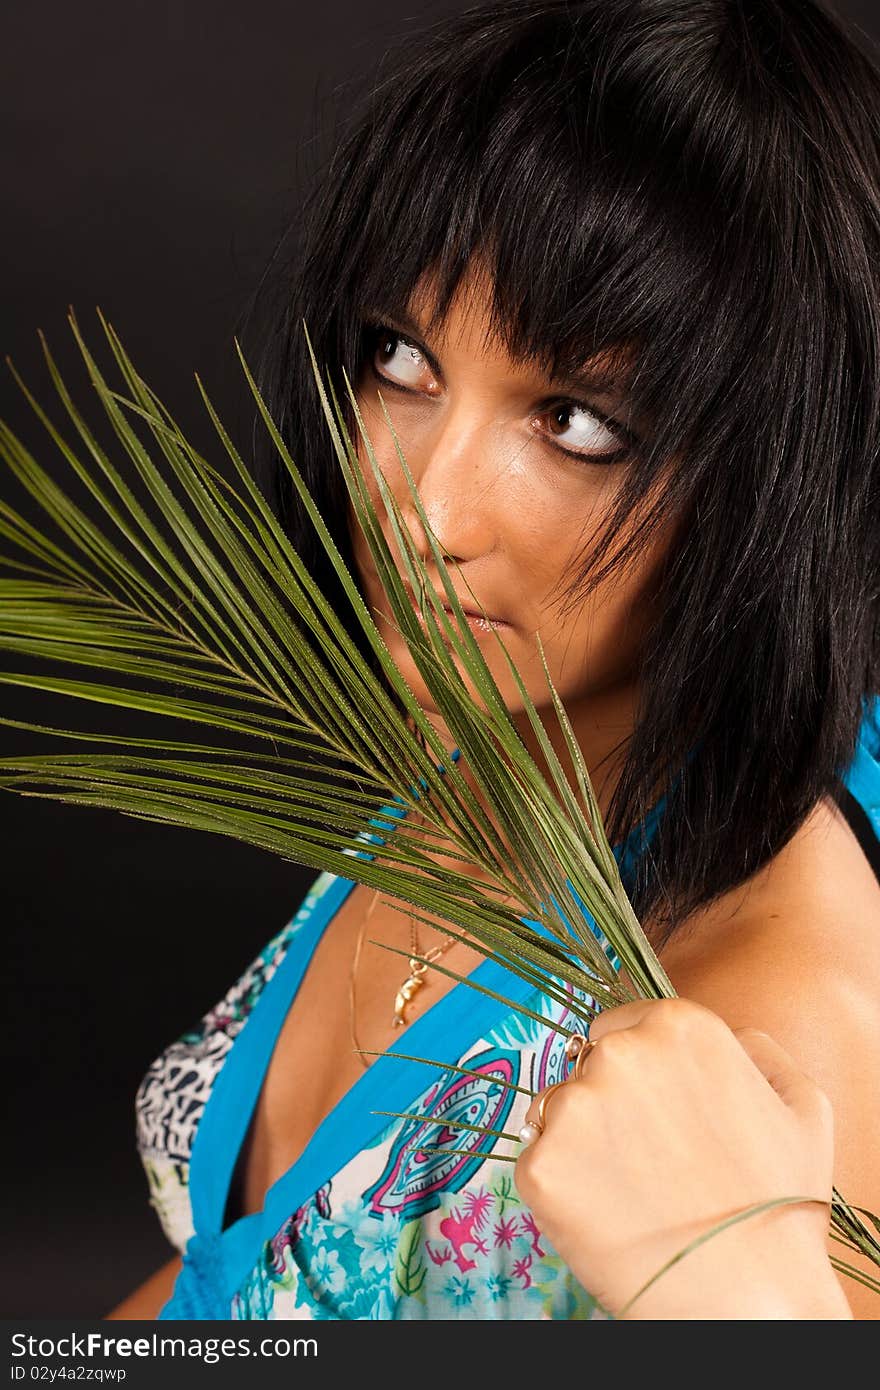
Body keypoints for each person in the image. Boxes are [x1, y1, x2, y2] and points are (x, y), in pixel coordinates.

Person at [109, 0, 880, 1320]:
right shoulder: (505, 741)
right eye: (401, 358)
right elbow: (235, 1287)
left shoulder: (780, 1028)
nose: (421, 509)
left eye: (575, 420)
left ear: (768, 489)